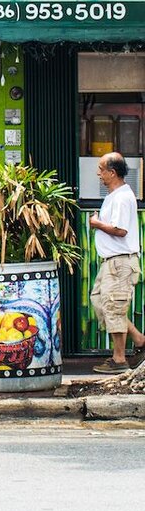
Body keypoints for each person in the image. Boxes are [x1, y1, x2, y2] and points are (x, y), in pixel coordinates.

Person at [89, 152, 145, 374]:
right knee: (102, 304)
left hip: (120, 263)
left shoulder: (121, 197)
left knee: (113, 308)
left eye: (101, 169)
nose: (98, 173)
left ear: (112, 172)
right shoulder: (114, 195)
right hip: (111, 263)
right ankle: (139, 340)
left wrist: (96, 223)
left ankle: (119, 359)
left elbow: (121, 230)